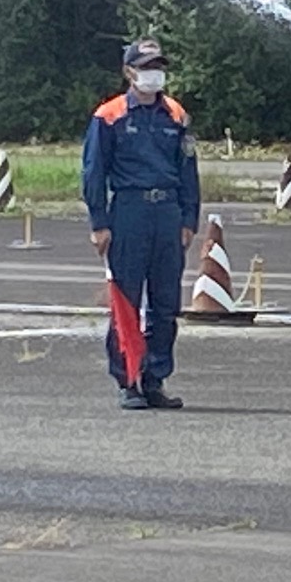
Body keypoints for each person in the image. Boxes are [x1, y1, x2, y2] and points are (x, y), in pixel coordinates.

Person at [82, 38, 200, 410]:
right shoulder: (109, 116)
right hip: (129, 211)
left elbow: (188, 170)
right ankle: (128, 379)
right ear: (129, 72)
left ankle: (155, 377)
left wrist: (188, 219)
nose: (154, 74)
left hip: (166, 212)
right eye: (147, 66)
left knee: (166, 303)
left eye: (158, 66)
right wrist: (100, 223)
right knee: (127, 300)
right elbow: (93, 172)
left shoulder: (176, 115)